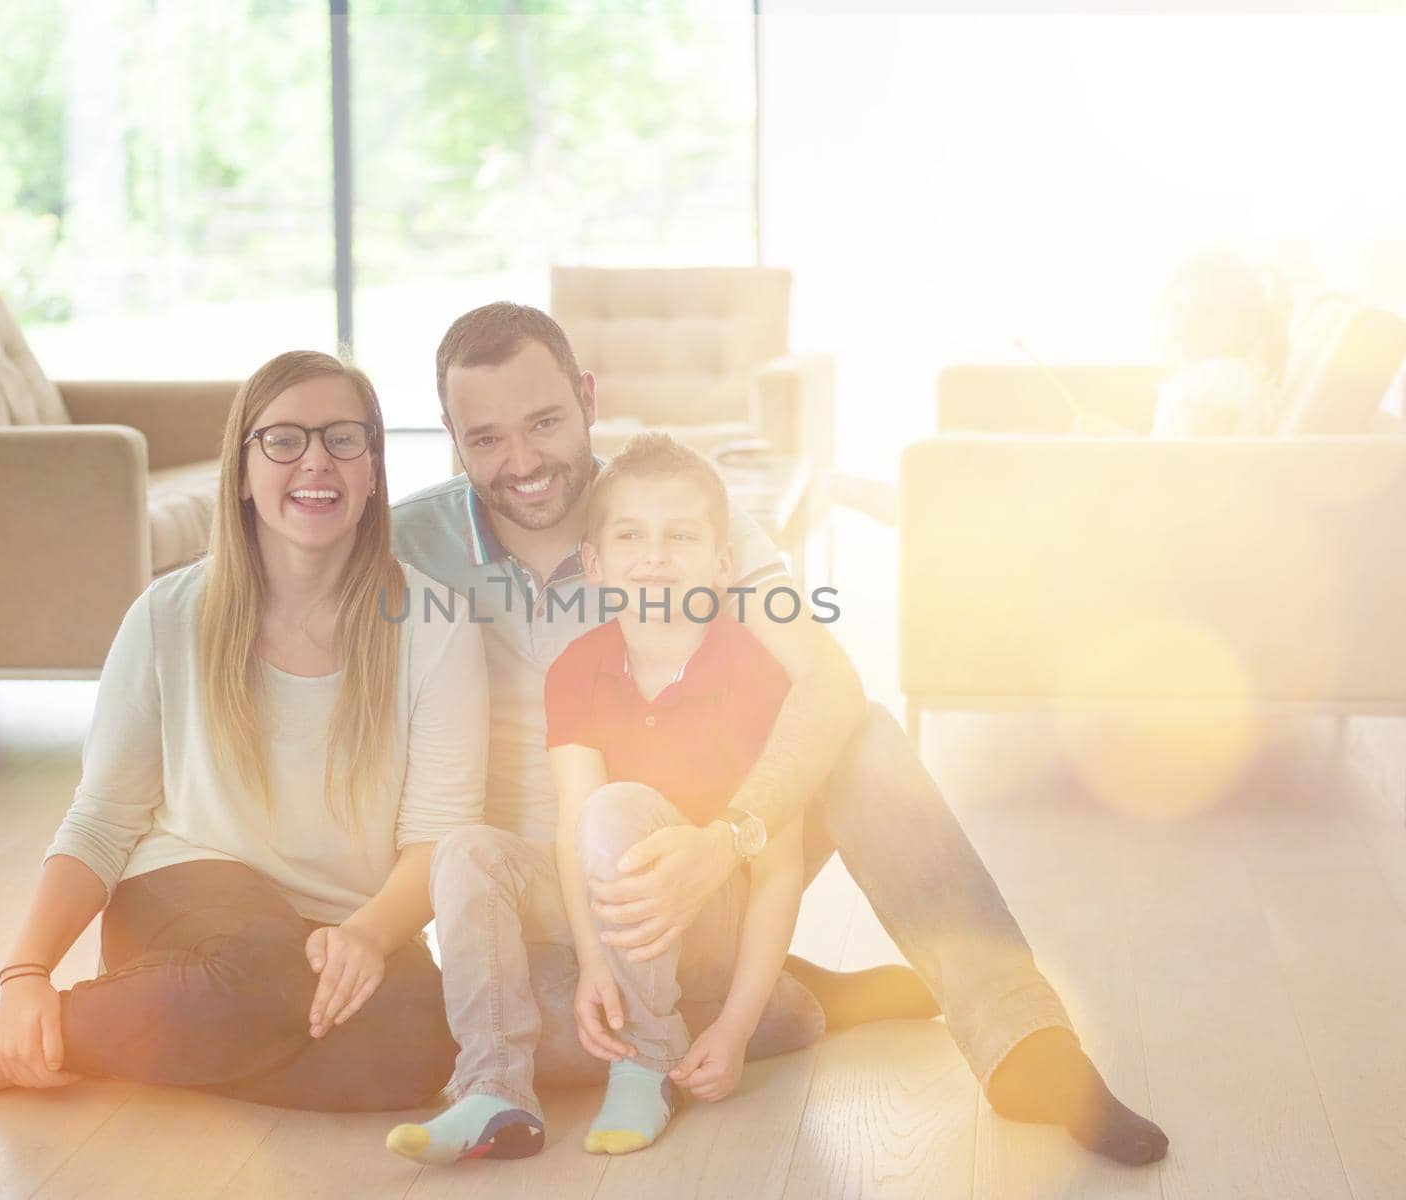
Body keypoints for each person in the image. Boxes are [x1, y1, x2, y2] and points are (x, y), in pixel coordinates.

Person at [391, 303, 1169, 1166]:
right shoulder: (407, 547)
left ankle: (1026, 1042)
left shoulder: (678, 514)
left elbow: (826, 679)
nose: (524, 462)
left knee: (862, 740)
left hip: (714, 861)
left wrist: (728, 840)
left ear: (586, 398)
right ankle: (785, 1004)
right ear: (453, 441)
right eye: (487, 439)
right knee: (470, 1032)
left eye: (544, 423)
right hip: (557, 908)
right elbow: (257, 577)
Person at [0, 350, 487, 1113]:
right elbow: (102, 819)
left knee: (421, 1041)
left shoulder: (435, 623)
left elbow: (437, 838)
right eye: (283, 439)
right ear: (242, 473)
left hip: (336, 929)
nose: (316, 460)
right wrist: (25, 974)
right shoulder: (168, 613)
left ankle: (93, 1045)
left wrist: (371, 937)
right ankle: (7, 1046)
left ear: (374, 468)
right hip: (184, 898)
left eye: (344, 438)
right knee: (264, 972)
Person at [385, 434, 935, 1164]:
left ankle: (645, 1062)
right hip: (615, 913)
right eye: (630, 536)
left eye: (681, 537)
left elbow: (776, 873)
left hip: (715, 916)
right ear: (596, 564)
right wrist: (591, 966)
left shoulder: (758, 671)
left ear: (723, 563)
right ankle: (494, 1088)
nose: (654, 557)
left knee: (619, 811)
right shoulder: (576, 670)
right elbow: (569, 835)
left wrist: (734, 1034)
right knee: (467, 852)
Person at [1151, 249, 1291, 436]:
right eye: (1179, 308)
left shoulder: (1221, 377)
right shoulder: (1206, 373)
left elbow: (1199, 456)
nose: (1186, 321)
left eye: (1206, 312)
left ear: (1244, 326)